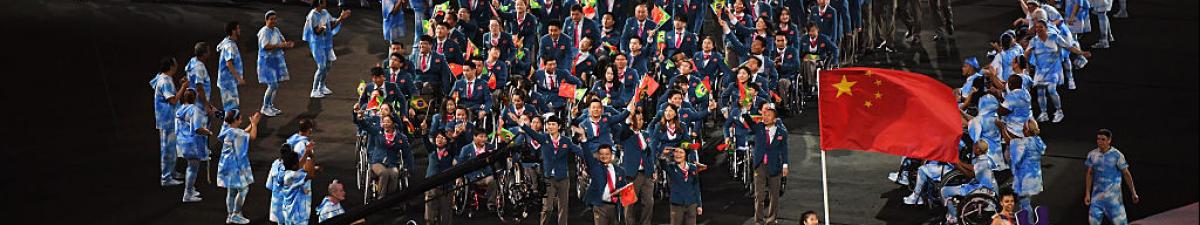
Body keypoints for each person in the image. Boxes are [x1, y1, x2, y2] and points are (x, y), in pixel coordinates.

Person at [518, 116, 582, 225]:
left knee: (563, 207)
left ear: (559, 126)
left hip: (563, 178)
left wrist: (587, 146)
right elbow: (533, 134)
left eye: (553, 124)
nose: (550, 126)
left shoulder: (566, 141)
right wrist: (523, 125)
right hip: (548, 179)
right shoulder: (544, 138)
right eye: (548, 124)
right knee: (547, 208)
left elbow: (580, 152)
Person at [1026, 19, 1091, 123]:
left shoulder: (1055, 37)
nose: (1038, 29)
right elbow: (1026, 53)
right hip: (1040, 70)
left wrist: (1081, 53)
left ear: (1046, 28)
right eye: (1036, 27)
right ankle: (1044, 113)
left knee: (1051, 89)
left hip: (1054, 69)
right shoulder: (1034, 41)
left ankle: (1059, 111)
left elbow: (1069, 47)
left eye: (1040, 27)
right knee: (1040, 92)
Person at [1085, 129, 1140, 225]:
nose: (1100, 142)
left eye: (1103, 139)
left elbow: (1126, 174)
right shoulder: (1092, 154)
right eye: (1098, 139)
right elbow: (1089, 173)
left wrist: (1133, 193)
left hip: (1114, 201)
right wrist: (1087, 194)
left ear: (1109, 140)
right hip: (1097, 200)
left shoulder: (1117, 155)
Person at [217, 110, 261, 224]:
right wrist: (255, 124)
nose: (241, 119)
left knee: (231, 191)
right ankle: (236, 214)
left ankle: (230, 215)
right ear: (236, 120)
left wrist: (252, 124)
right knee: (243, 189)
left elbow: (243, 133)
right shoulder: (237, 133)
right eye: (240, 118)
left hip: (226, 165)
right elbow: (252, 136)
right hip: (234, 165)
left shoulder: (227, 129)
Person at [749, 103, 788, 225]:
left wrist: (785, 165)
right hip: (760, 165)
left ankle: (771, 220)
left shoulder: (782, 132)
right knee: (759, 196)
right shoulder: (759, 128)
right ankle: (758, 221)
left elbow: (784, 149)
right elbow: (749, 122)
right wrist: (745, 109)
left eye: (769, 115)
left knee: (774, 195)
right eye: (764, 114)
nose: (765, 117)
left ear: (775, 119)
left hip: (775, 166)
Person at [303, 0, 352, 98]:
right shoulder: (312, 15)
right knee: (321, 67)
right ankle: (314, 90)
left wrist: (341, 18)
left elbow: (332, 25)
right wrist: (323, 28)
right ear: (320, 2)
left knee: (328, 65)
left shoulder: (325, 12)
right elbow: (316, 31)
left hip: (327, 42)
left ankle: (322, 86)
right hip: (317, 44)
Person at [941, 141, 998, 224]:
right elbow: (971, 169)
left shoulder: (983, 162)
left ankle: (954, 217)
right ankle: (953, 214)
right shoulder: (985, 158)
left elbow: (970, 174)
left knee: (944, 191)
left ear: (978, 150)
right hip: (983, 186)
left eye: (974, 146)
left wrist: (958, 164)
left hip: (982, 189)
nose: (972, 147)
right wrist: (958, 162)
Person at [152, 57, 188, 187]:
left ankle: (171, 173)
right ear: (171, 66)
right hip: (167, 120)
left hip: (168, 119)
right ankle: (166, 177)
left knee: (171, 149)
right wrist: (183, 87)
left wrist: (179, 86)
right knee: (168, 149)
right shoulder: (165, 81)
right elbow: (172, 100)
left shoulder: (163, 78)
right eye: (175, 64)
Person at [176, 88, 213, 203]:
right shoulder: (194, 110)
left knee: (190, 167)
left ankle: (191, 189)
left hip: (181, 142)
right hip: (192, 143)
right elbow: (197, 129)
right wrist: (208, 132)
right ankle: (187, 194)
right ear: (195, 98)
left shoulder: (179, 110)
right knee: (192, 168)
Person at [257, 10, 295, 117]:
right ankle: (264, 107)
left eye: (275, 19)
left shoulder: (276, 30)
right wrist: (280, 45)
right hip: (267, 62)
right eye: (271, 19)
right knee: (272, 85)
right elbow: (266, 46)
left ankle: (269, 105)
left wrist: (287, 44)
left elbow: (282, 41)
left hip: (275, 61)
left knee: (275, 85)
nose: (273, 21)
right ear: (266, 20)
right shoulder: (264, 32)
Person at [582, 144, 625, 225]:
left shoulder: (619, 170)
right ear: (598, 155)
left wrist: (620, 191)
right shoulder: (596, 168)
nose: (604, 156)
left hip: (615, 207)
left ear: (611, 155)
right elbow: (588, 157)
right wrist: (584, 140)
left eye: (607, 154)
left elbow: (623, 187)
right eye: (601, 154)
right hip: (600, 206)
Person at [663, 147, 704, 225]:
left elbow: (696, 187)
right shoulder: (671, 167)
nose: (678, 154)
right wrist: (663, 155)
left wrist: (699, 205)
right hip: (677, 204)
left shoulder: (693, 167)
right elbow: (663, 165)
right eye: (676, 152)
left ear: (686, 155)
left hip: (691, 204)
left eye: (681, 152)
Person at [280, 141, 316, 225]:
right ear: (294, 165)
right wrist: (310, 157)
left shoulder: (284, 171)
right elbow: (311, 175)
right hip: (296, 213)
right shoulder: (294, 176)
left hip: (287, 209)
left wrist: (306, 153)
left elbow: (298, 165)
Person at [425, 131, 457, 225]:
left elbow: (453, 146)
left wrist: (454, 138)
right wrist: (424, 131)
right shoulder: (431, 150)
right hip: (431, 185)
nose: (439, 139)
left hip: (446, 187)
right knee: (430, 214)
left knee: (446, 216)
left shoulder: (450, 152)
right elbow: (425, 140)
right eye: (438, 137)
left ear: (446, 141)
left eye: (443, 138)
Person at [216, 21, 245, 113]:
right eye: (238, 28)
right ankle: (228, 127)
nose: (240, 30)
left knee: (231, 108)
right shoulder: (230, 46)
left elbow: (218, 47)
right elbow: (229, 64)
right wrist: (239, 78)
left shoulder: (226, 41)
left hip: (226, 81)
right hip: (227, 82)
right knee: (232, 109)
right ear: (233, 31)